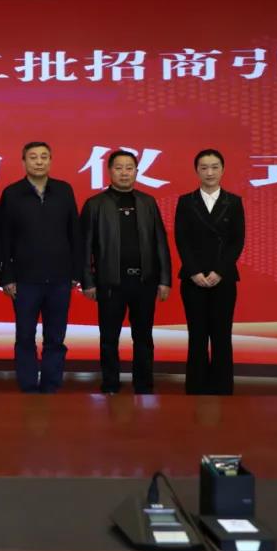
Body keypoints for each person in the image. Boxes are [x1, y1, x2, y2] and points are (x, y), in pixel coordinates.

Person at [80, 150, 171, 394]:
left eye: (129, 168)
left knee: (144, 337)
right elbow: (85, 246)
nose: (124, 173)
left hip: (144, 282)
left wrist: (164, 279)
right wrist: (88, 281)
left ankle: (144, 384)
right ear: (109, 171)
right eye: (119, 168)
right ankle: (110, 383)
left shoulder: (147, 202)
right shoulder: (95, 204)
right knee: (109, 338)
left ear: (136, 172)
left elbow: (160, 242)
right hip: (110, 283)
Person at [0, 141, 82, 393]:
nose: (39, 161)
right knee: (25, 336)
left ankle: (51, 385)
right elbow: (4, 239)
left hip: (60, 278)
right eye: (33, 157)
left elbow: (75, 234)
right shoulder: (12, 193)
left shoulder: (64, 190)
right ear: (24, 161)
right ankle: (27, 385)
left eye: (44, 157)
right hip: (24, 279)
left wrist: (76, 272)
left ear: (50, 161)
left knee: (55, 337)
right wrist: (7, 277)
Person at [175, 149, 245, 395]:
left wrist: (220, 271)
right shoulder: (186, 201)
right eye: (204, 168)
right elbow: (181, 240)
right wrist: (194, 272)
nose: (210, 172)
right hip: (193, 279)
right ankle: (196, 385)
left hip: (223, 279)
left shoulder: (233, 202)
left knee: (221, 334)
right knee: (197, 334)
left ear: (223, 170)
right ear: (197, 171)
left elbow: (237, 241)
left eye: (215, 167)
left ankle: (222, 385)